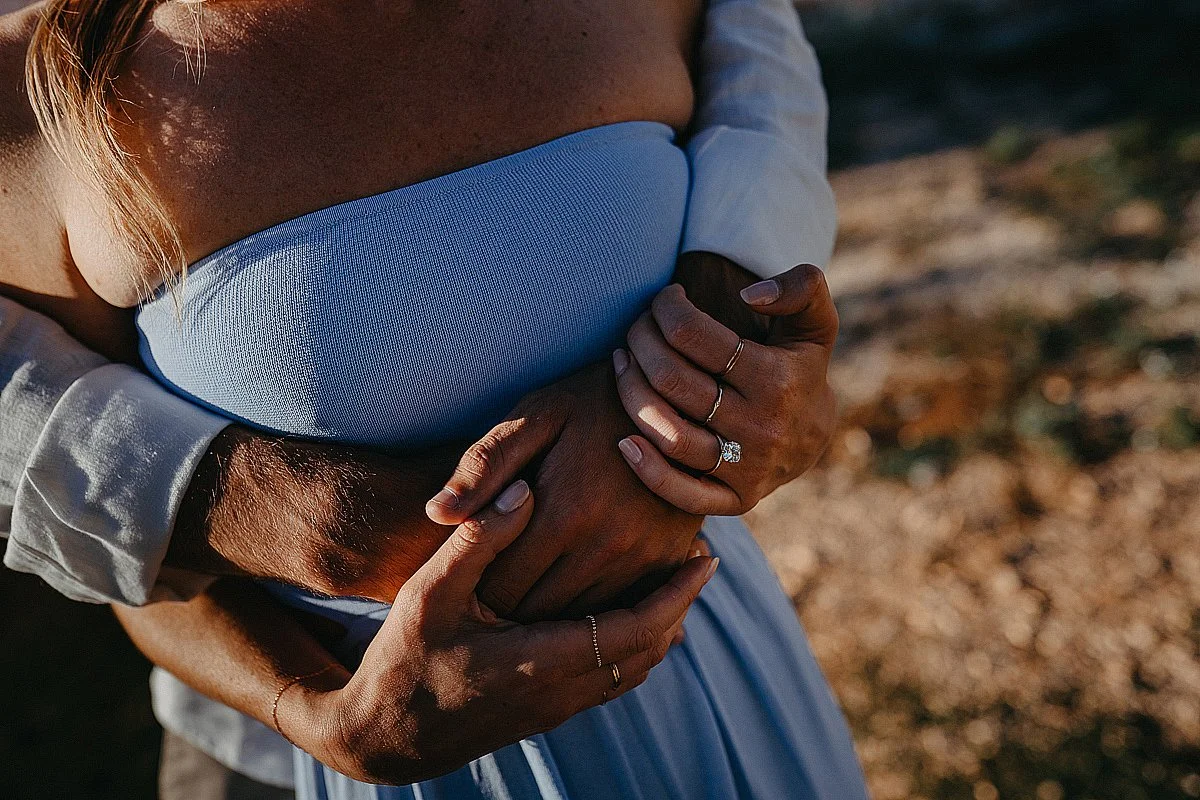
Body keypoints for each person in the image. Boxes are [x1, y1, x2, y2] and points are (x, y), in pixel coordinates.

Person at [0, 1, 864, 798]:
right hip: (326, 750)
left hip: (719, 682)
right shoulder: (46, 94)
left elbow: (764, 154)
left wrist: (753, 407)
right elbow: (122, 546)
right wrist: (308, 708)